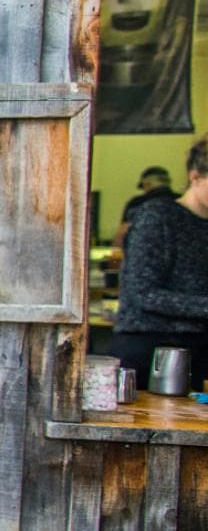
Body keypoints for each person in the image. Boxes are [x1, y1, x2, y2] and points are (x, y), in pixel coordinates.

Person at [107, 137, 208, 387]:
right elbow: (144, 292)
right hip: (148, 352)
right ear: (195, 177)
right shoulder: (156, 217)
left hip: (200, 352)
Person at [114, 165, 178, 251]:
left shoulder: (136, 203)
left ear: (148, 184)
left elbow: (122, 233)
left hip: (144, 254)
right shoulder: (182, 200)